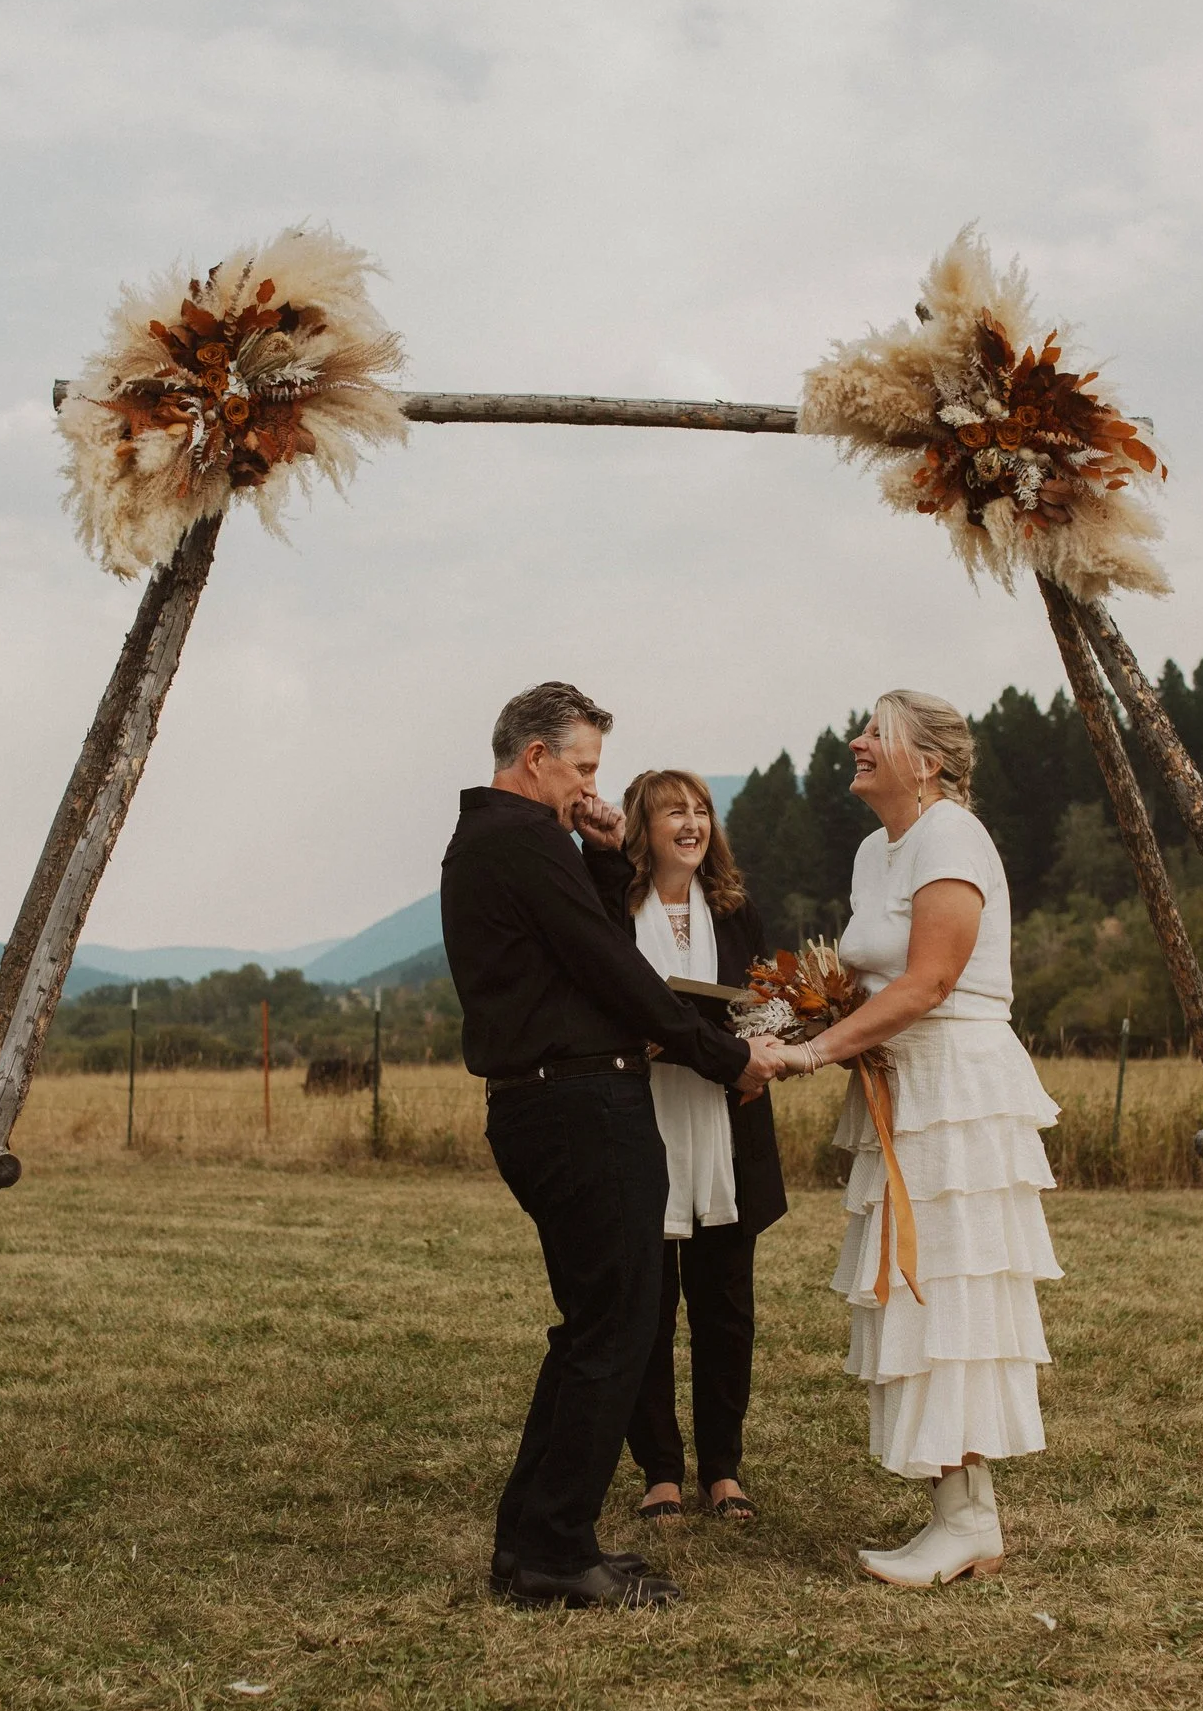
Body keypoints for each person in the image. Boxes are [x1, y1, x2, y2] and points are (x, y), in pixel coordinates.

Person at [441, 682, 789, 1611]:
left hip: (552, 1105)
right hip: (580, 1106)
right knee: (620, 1325)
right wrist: (724, 1056)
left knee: (592, 1324)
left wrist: (599, 854)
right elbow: (616, 970)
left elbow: (584, 943)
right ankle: (558, 1549)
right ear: (534, 761)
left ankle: (528, 1539)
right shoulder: (518, 841)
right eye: (584, 768)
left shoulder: (509, 845)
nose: (592, 787)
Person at [769, 689, 1061, 1586]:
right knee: (916, 1289)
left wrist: (813, 1052)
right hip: (901, 1084)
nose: (855, 741)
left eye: (877, 734)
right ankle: (958, 1510)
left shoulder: (952, 839)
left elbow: (932, 981)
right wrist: (781, 1015)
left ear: (927, 762)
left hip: (956, 1088)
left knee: (950, 1291)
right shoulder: (874, 850)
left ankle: (968, 1519)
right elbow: (867, 975)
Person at [582, 770, 786, 1527]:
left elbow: (766, 1003)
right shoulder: (611, 907)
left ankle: (723, 1469)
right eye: (676, 811)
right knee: (648, 1307)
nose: (693, 823)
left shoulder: (736, 912)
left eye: (702, 810)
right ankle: (660, 1471)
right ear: (644, 825)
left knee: (726, 1307)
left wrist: (764, 1049)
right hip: (640, 1118)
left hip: (726, 1120)